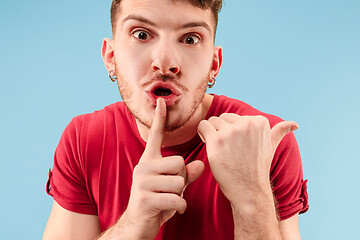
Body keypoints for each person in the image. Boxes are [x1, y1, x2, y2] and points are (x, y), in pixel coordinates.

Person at [43, 0, 309, 239]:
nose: (165, 62)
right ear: (111, 57)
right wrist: (133, 225)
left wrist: (252, 198)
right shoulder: (83, 138)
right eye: (142, 34)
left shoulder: (265, 140)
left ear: (214, 64)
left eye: (190, 39)